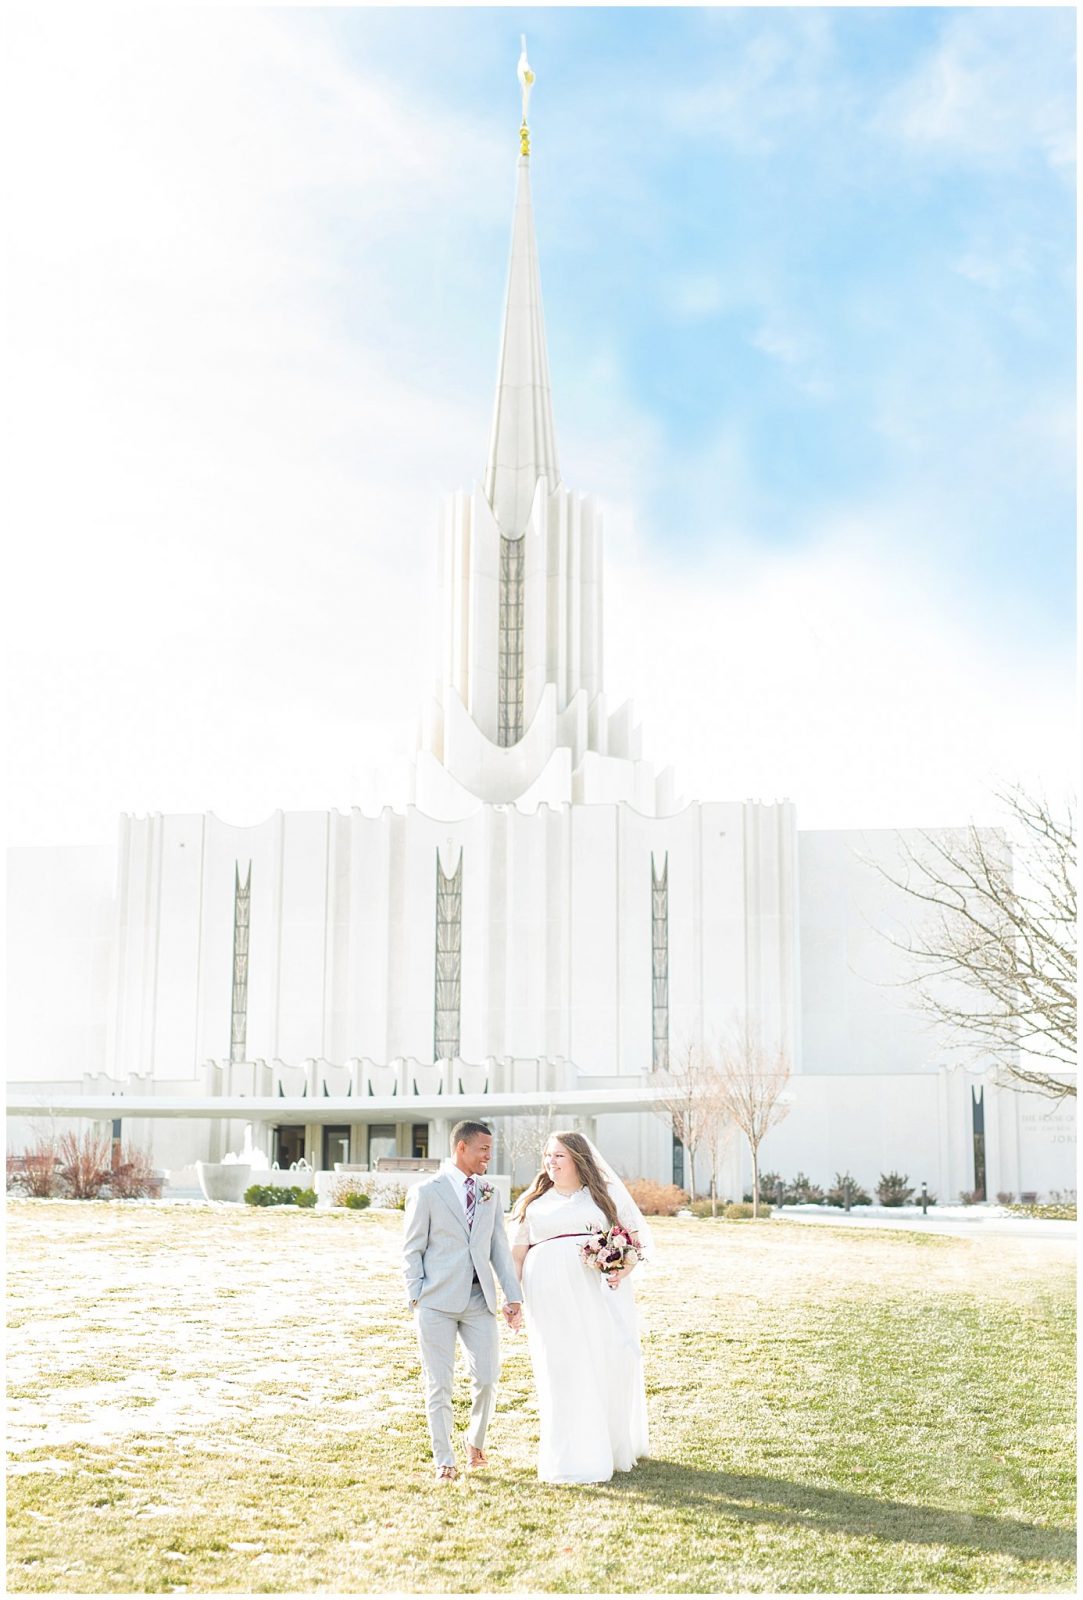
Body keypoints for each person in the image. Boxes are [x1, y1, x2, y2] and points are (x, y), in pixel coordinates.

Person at [510, 1130, 650, 1484]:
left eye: (558, 1156)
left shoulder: (601, 1198)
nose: (550, 1162)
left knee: (598, 1361)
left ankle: (605, 1444)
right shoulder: (533, 1202)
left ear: (577, 1158)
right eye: (547, 1156)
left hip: (594, 1293)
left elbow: (633, 1242)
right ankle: (569, 1451)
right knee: (561, 1366)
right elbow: (518, 1252)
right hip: (547, 1296)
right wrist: (512, 1297)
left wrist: (620, 1269)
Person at [401, 1120, 523, 1483]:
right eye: (484, 1149)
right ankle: (445, 1461)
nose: (489, 1155)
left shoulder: (489, 1192)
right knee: (439, 1384)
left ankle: (476, 1441)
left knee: (487, 1378)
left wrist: (512, 1296)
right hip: (435, 1302)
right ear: (462, 1148)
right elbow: (412, 1249)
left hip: (478, 1300)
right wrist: (416, 1297)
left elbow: (499, 1248)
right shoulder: (427, 1192)